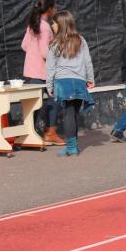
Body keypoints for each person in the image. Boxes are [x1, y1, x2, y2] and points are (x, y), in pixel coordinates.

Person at [45, 11, 95, 156]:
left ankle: (71, 147)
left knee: (68, 114)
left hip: (63, 82)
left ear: (60, 24)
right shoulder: (81, 40)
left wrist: (50, 86)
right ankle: (73, 146)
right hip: (79, 82)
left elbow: (50, 67)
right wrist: (90, 79)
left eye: (53, 23)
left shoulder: (55, 42)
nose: (52, 26)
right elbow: (87, 61)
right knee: (73, 114)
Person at [21, 0, 65, 146]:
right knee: (54, 100)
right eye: (55, 7)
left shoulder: (32, 24)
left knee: (33, 104)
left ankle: (28, 134)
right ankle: (50, 133)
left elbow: (24, 46)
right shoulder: (45, 27)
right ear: (50, 9)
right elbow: (45, 53)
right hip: (43, 72)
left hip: (31, 70)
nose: (56, 10)